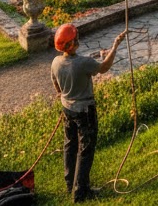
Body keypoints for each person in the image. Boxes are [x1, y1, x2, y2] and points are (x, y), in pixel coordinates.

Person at [50, 22, 127, 202]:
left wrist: (65, 95)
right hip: (85, 111)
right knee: (85, 150)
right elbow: (103, 67)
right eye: (75, 38)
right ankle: (81, 191)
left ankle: (71, 183)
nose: (78, 40)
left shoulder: (56, 62)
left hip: (67, 109)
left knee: (70, 145)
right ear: (70, 44)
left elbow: (56, 86)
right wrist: (115, 47)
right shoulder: (83, 63)